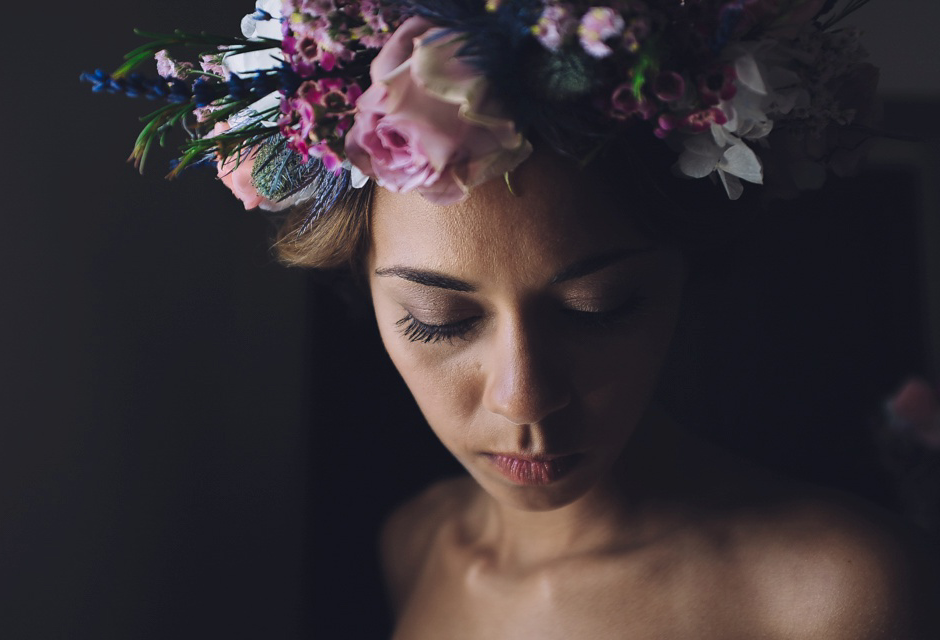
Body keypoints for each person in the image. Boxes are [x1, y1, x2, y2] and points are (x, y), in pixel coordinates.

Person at [83, 0, 939, 637]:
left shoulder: (835, 594)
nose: (524, 400)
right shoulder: (415, 545)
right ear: (367, 293)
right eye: (437, 321)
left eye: (598, 308)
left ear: (683, 277)